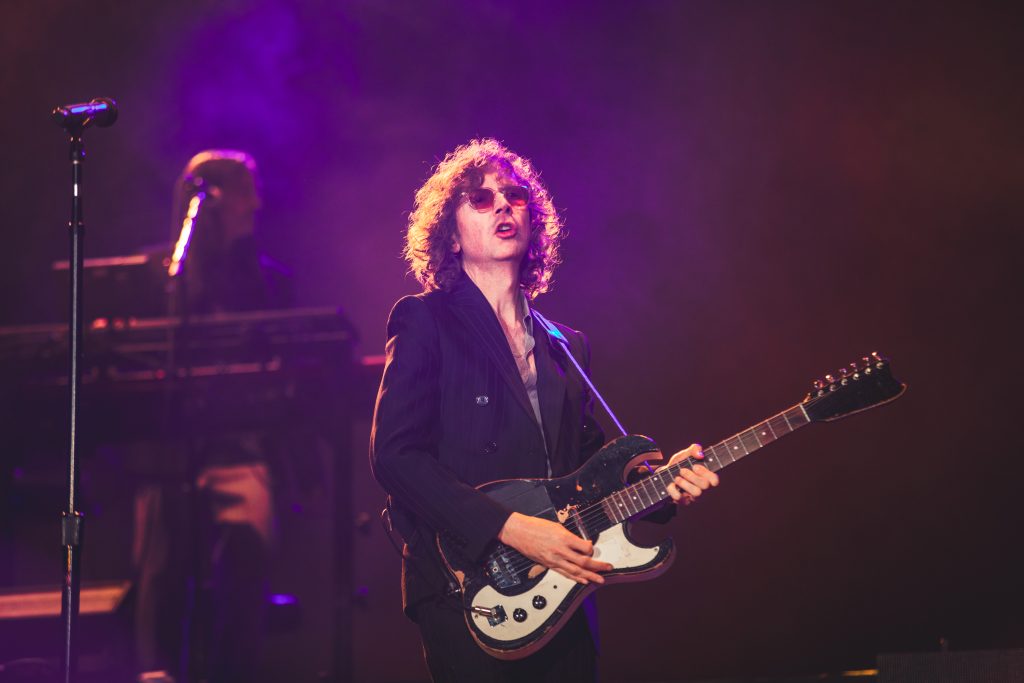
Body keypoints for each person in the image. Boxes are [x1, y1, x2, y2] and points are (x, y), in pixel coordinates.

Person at [370, 138, 720, 682]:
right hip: (464, 581)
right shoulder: (426, 320)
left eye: (514, 196)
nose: (503, 206)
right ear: (451, 234)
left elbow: (589, 470)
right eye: (480, 199)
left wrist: (660, 484)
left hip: (562, 589)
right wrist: (509, 528)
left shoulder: (565, 344)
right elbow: (395, 458)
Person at [133, 150, 291, 683]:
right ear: (213, 200)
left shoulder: (262, 281)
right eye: (247, 191)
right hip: (171, 455)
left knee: (245, 577)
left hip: (241, 452)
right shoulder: (160, 277)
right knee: (162, 572)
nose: (257, 204)